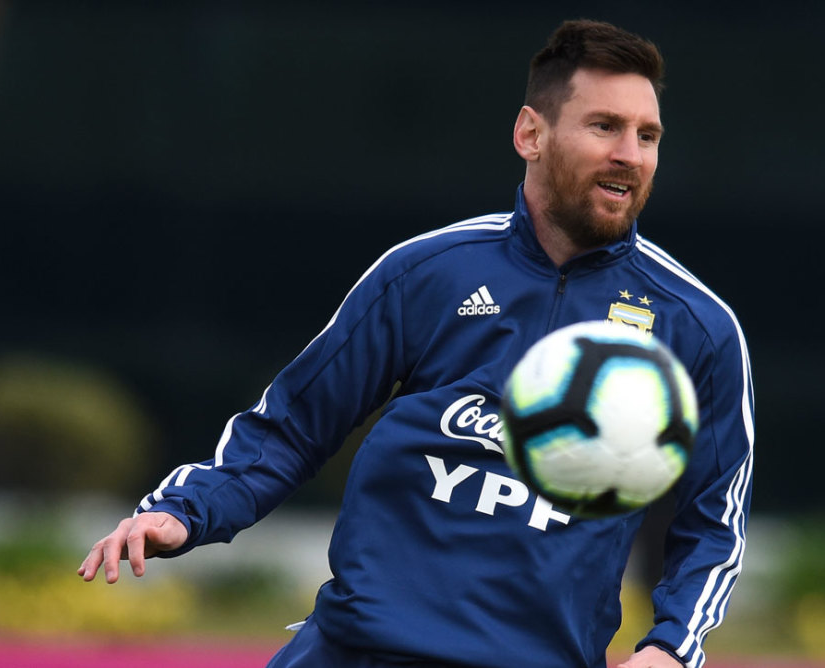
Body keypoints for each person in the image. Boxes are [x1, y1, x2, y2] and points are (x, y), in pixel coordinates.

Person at [79, 19, 754, 668]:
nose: (630, 154)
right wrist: (183, 512)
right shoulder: (425, 272)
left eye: (647, 135)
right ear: (530, 133)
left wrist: (671, 646)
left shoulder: (698, 327)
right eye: (604, 126)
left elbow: (713, 524)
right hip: (354, 651)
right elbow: (291, 428)